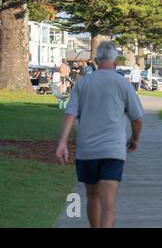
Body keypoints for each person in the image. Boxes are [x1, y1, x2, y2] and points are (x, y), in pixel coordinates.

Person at [56, 41, 144, 228]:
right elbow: (137, 118)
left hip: (87, 151)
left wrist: (62, 143)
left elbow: (70, 113)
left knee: (92, 197)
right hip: (113, 151)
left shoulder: (83, 83)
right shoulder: (123, 84)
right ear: (117, 61)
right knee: (108, 203)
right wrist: (135, 139)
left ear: (95, 60)